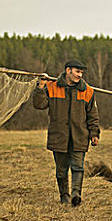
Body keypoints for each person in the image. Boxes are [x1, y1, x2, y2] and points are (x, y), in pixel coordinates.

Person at [32, 59, 100, 207]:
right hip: (59, 136)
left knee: (78, 167)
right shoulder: (52, 87)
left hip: (79, 136)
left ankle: (76, 195)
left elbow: (92, 115)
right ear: (68, 71)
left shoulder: (87, 91)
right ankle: (64, 196)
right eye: (77, 71)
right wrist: (40, 87)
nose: (80, 75)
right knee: (61, 171)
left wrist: (94, 134)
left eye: (81, 72)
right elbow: (39, 104)